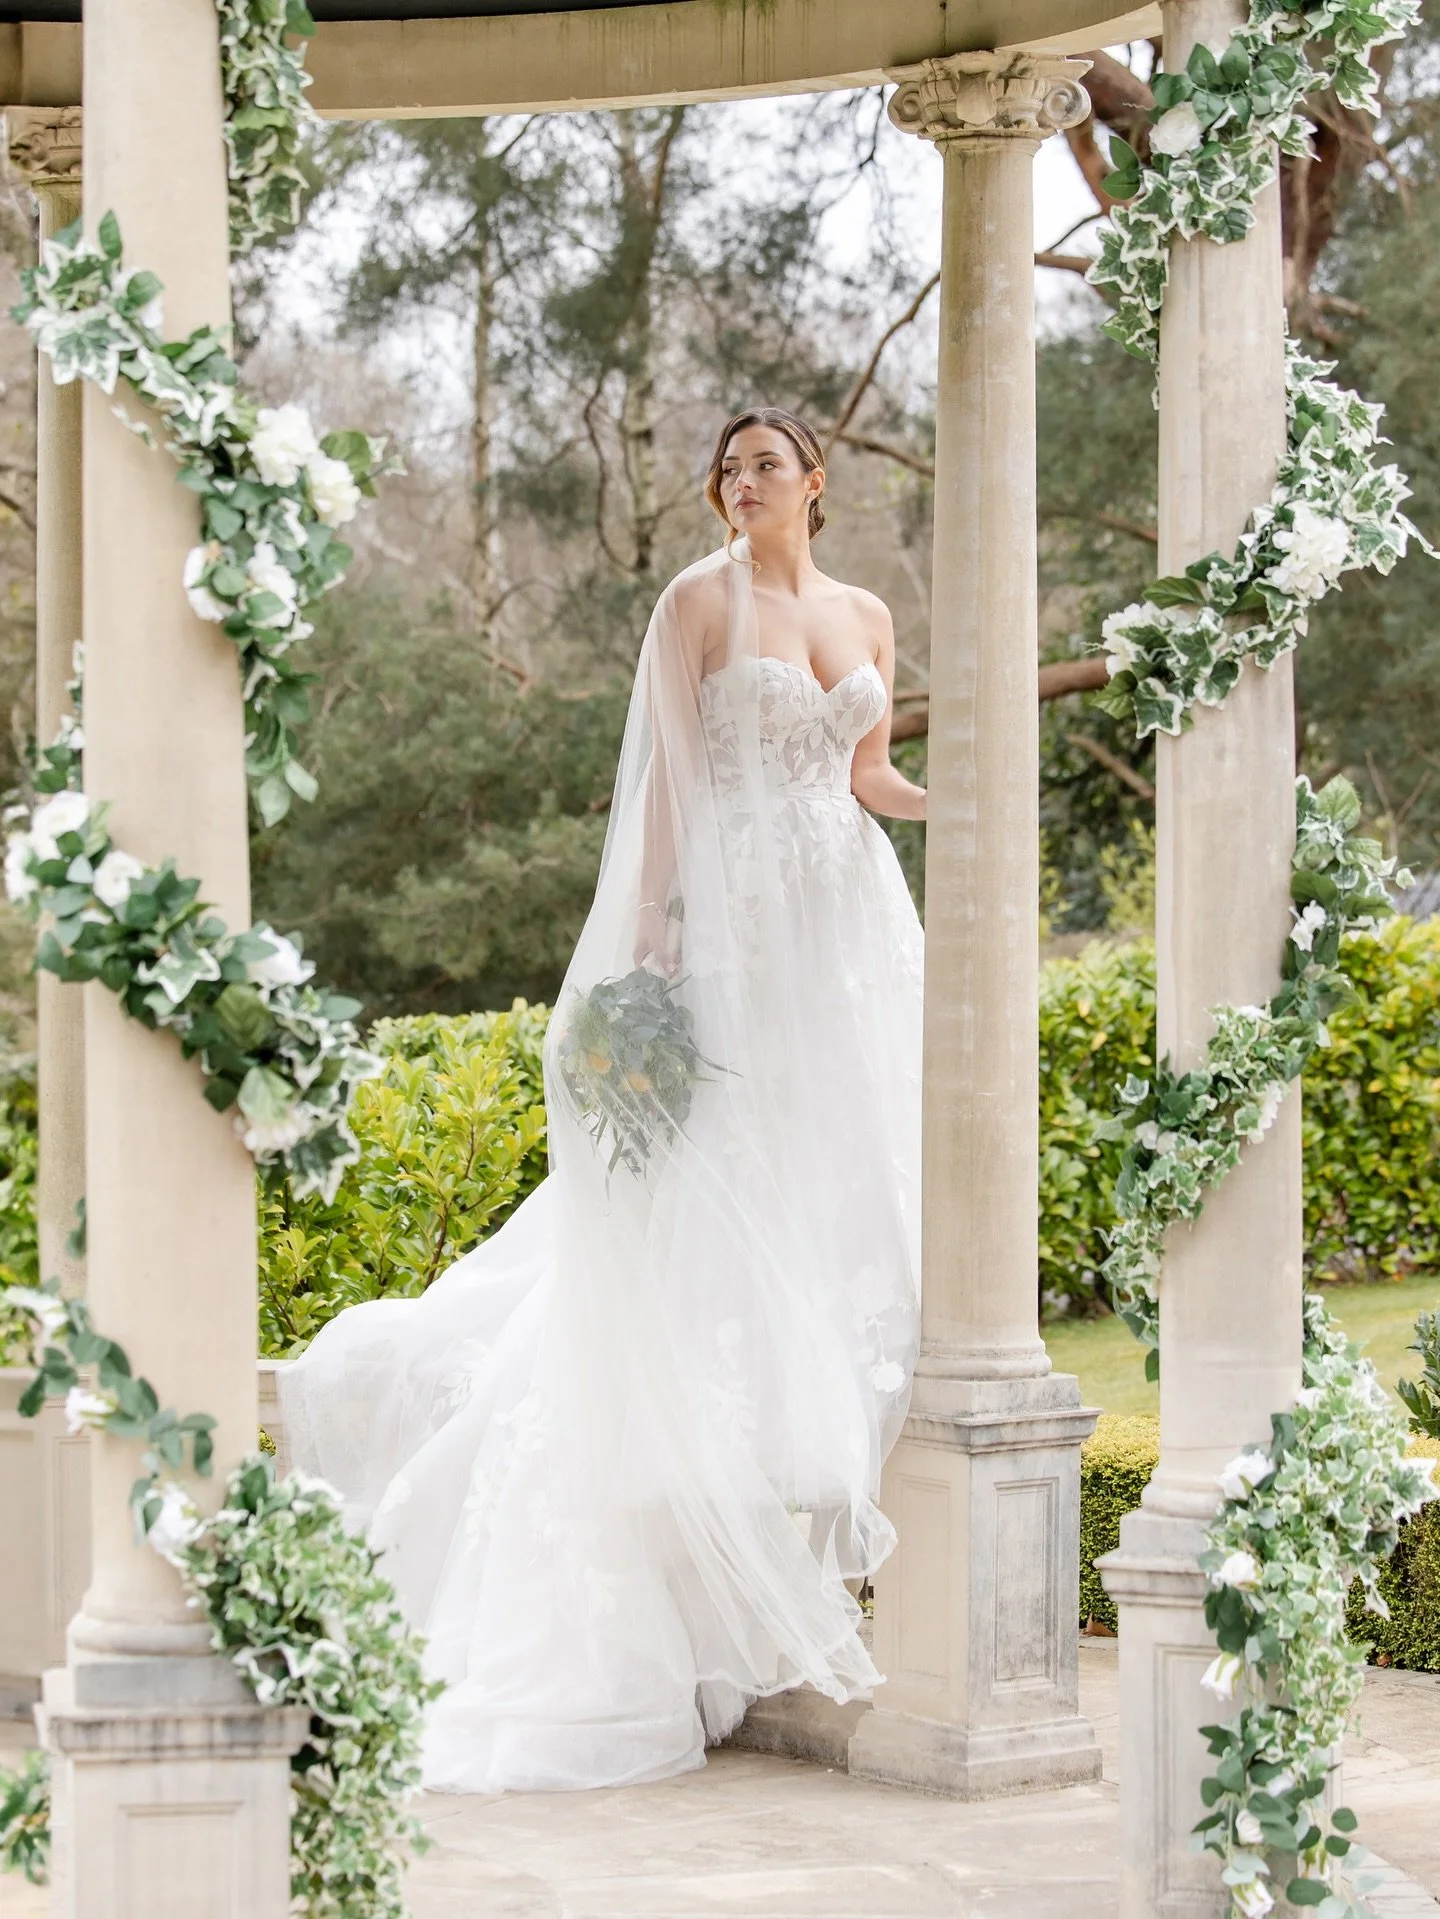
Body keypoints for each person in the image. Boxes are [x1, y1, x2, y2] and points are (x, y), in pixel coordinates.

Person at [278, 406, 927, 1794]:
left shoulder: (868, 613)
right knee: (725, 1179)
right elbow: (669, 797)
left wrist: (973, 805)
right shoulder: (695, 602)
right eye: (728, 467)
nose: (742, 482)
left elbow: (867, 776)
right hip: (741, 923)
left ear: (815, 481)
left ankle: (812, 1463)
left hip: (849, 931)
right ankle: (696, 1504)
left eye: (766, 464)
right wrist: (651, 956)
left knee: (842, 1174)